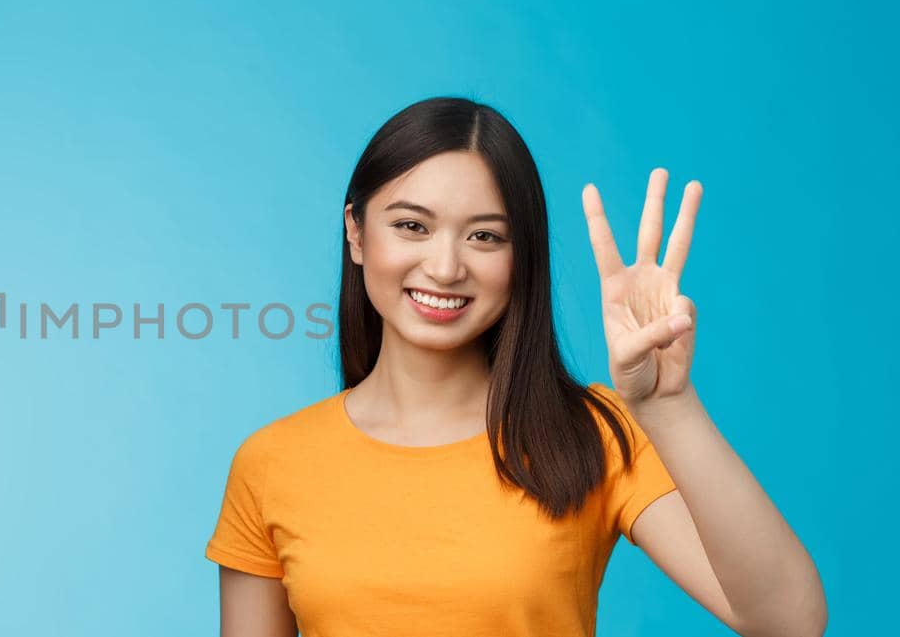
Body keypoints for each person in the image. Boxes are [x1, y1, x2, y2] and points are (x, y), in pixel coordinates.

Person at [204, 96, 827, 636]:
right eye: (412, 226)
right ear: (357, 234)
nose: (446, 267)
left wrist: (669, 406)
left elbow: (788, 622)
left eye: (485, 237)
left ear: (520, 257)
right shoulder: (272, 464)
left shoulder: (593, 434)